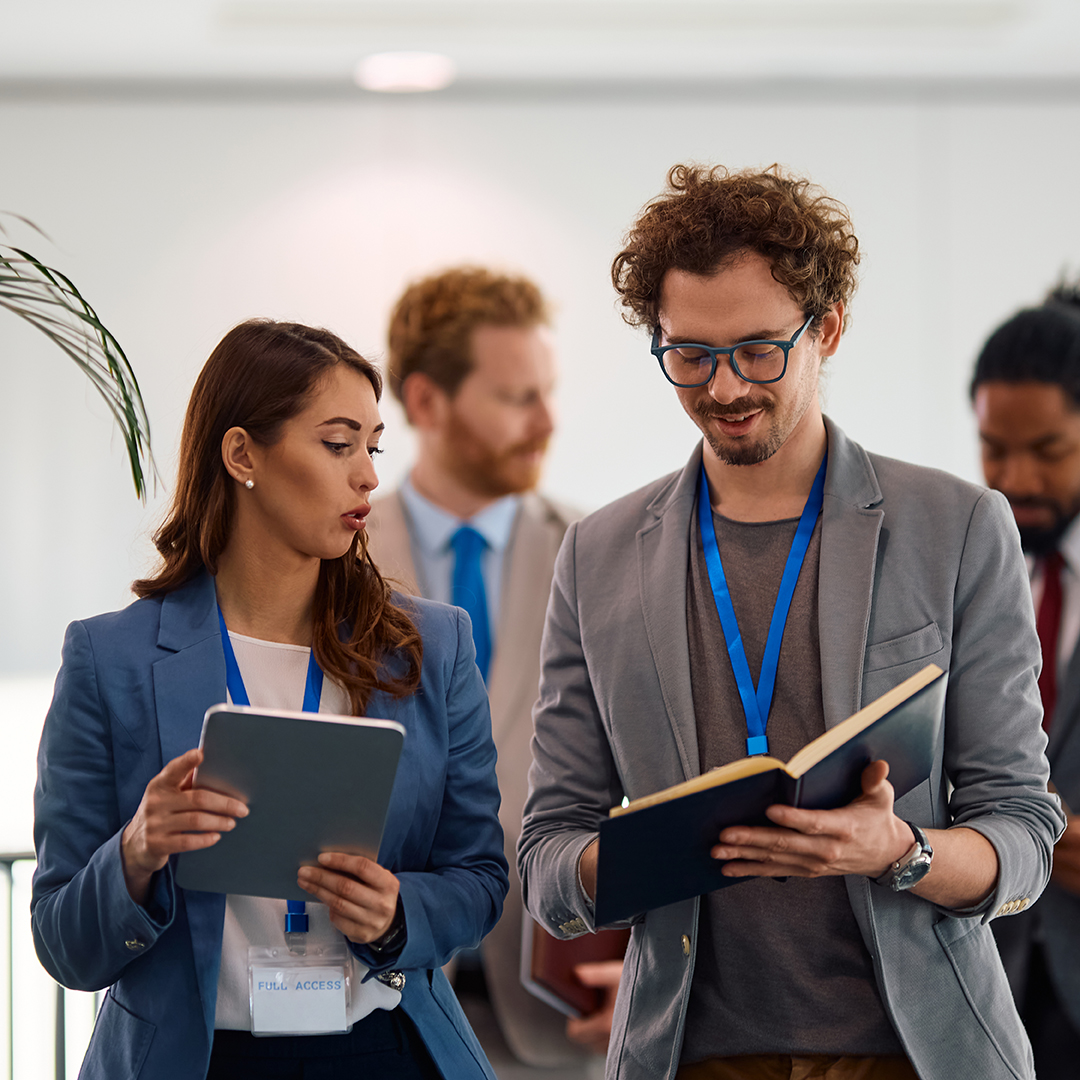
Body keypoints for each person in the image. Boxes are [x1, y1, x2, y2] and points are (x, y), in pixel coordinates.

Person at [517, 164, 1066, 1080]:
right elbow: (546, 856)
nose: (724, 388)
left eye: (758, 350)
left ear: (830, 330)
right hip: (688, 1056)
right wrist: (637, 859)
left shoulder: (959, 527)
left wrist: (900, 849)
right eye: (689, 354)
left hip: (916, 1053)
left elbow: (1021, 833)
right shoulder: (596, 554)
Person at [31, 319, 508, 1079]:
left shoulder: (433, 645)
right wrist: (138, 850)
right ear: (242, 453)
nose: (368, 477)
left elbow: (481, 878)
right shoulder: (107, 659)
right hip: (197, 1061)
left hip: (384, 1052)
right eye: (338, 443)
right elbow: (63, 943)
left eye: (373, 446)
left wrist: (397, 916)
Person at [366, 266, 615, 1075]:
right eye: (517, 398)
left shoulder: (606, 553)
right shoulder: (334, 554)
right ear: (426, 402)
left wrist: (650, 967)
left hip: (560, 1008)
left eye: (548, 391)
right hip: (374, 997)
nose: (548, 421)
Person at [971, 280, 1080, 1080]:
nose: (1017, 477)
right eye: (994, 448)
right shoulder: (965, 570)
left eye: (1048, 451)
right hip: (993, 988)